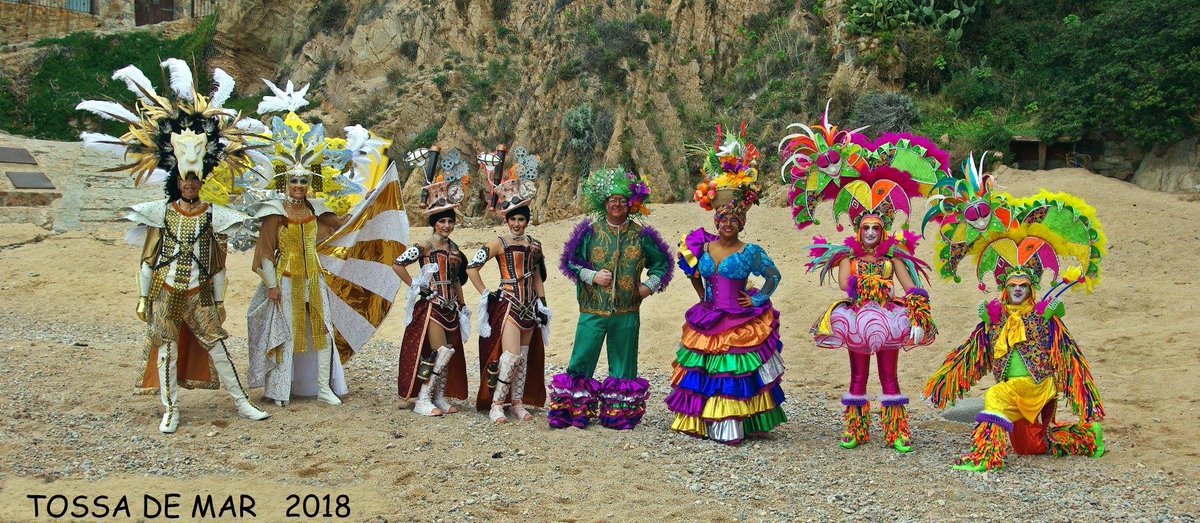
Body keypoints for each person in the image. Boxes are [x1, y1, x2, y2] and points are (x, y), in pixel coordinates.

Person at [80, 59, 271, 433]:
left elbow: (218, 265)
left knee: (217, 345)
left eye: (195, 181)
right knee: (166, 350)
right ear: (177, 181)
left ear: (201, 181)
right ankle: (170, 408)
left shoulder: (214, 214)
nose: (189, 186)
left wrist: (217, 301)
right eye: (185, 181)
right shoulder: (159, 212)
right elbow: (148, 259)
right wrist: (141, 298)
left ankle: (241, 402)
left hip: (199, 294)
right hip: (166, 292)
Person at [780, 108, 947, 452]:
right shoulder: (848, 256)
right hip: (856, 319)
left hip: (889, 318)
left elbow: (911, 286)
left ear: (884, 230)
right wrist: (854, 267)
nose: (871, 232)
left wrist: (918, 314)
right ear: (857, 229)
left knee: (889, 375)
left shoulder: (893, 257)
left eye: (876, 228)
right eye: (865, 227)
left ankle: (896, 431)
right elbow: (845, 286)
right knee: (857, 375)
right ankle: (856, 429)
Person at [924, 164, 1107, 472]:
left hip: (1037, 386)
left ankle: (986, 457)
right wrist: (945, 384)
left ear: (1032, 286)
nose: (1019, 290)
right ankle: (1087, 437)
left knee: (994, 396)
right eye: (1013, 286)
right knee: (1030, 447)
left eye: (1024, 286)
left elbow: (1070, 355)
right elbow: (972, 353)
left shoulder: (1043, 313)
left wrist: (1082, 393)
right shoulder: (994, 318)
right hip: (1016, 389)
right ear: (1004, 288)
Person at [243, 87, 403, 408]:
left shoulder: (317, 211)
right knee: (287, 334)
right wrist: (271, 285)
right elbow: (263, 253)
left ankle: (324, 387)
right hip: (286, 280)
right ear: (284, 183)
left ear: (310, 183)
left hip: (314, 279)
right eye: (293, 181)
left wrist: (371, 203)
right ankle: (280, 389)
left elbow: (346, 224)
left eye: (304, 181)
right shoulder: (275, 214)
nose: (299, 186)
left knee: (322, 331)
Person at [665, 131, 786, 445]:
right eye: (722, 220)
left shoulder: (750, 252)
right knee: (704, 373)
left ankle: (732, 424)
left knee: (731, 374)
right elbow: (692, 273)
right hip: (708, 315)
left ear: (741, 223)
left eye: (733, 220)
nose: (727, 224)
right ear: (716, 222)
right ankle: (703, 422)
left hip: (738, 317)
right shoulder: (703, 248)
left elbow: (773, 277)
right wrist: (702, 298)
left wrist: (757, 298)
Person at [553, 166, 673, 430]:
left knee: (624, 363)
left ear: (630, 204)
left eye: (622, 200)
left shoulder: (641, 235)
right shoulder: (590, 232)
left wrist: (647, 287)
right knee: (581, 358)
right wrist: (591, 275)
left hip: (626, 312)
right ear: (605, 204)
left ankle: (619, 416)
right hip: (593, 309)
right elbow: (570, 262)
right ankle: (573, 412)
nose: (617, 205)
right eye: (612, 201)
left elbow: (662, 263)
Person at [467, 145, 548, 424]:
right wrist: (485, 294)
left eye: (521, 219)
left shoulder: (534, 245)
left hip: (529, 307)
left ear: (527, 221)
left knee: (524, 358)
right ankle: (496, 404)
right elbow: (472, 267)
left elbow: (537, 275)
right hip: (510, 304)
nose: (517, 223)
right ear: (507, 220)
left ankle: (517, 402)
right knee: (510, 356)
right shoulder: (497, 243)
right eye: (513, 219)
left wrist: (543, 303)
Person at [394, 146, 471, 416]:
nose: (447, 226)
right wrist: (417, 286)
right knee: (438, 351)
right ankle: (423, 398)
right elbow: (397, 263)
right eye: (442, 221)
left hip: (451, 307)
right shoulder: (423, 246)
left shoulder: (455, 250)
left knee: (448, 351)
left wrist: (462, 304)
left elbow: (458, 280)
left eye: (450, 221)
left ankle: (438, 395)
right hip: (431, 307)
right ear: (434, 223)